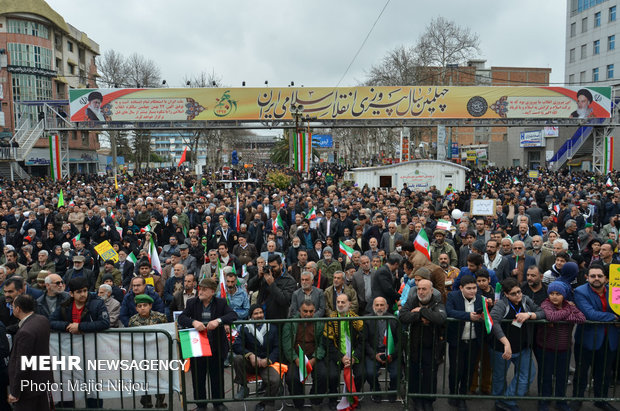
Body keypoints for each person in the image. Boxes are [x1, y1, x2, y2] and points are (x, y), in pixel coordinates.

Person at [178, 278, 237, 411]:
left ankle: (218, 403)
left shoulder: (220, 302)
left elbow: (233, 315)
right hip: (197, 346)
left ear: (212, 291)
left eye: (204, 289)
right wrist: (193, 322)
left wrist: (218, 320)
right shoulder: (192, 302)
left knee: (217, 377)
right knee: (198, 377)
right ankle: (201, 404)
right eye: (200, 288)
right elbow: (182, 317)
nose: (201, 291)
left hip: (215, 345)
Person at [489, 277, 545, 411]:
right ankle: (499, 403)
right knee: (499, 377)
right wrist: (506, 343)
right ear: (506, 294)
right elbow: (494, 322)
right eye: (513, 293)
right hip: (501, 349)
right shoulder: (501, 304)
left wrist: (529, 315)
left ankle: (507, 401)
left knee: (528, 374)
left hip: (522, 347)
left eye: (519, 291)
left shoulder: (525, 299)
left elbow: (542, 312)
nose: (518, 295)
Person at [571, 263, 619, 411]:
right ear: (587, 278)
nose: (596, 279)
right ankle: (577, 399)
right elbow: (590, 314)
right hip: (587, 339)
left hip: (609, 339)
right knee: (581, 372)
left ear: (606, 278)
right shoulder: (580, 291)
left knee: (604, 373)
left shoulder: (614, 291)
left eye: (599, 276)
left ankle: (601, 400)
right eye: (593, 276)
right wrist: (614, 318)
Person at [536, 282, 585, 411]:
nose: (554, 297)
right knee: (545, 376)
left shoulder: (568, 305)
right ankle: (543, 401)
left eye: (558, 294)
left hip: (564, 348)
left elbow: (581, 318)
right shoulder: (546, 304)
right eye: (552, 294)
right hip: (547, 347)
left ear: (564, 295)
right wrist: (568, 312)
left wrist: (564, 313)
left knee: (562, 377)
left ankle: (561, 401)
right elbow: (551, 316)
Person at [399, 279, 447, 411]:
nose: (420, 291)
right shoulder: (411, 300)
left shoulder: (437, 302)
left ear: (431, 291)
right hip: (414, 346)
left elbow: (441, 318)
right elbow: (403, 316)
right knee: (413, 374)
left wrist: (421, 310)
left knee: (430, 375)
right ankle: (416, 400)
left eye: (424, 289)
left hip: (431, 346)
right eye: (419, 288)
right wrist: (421, 316)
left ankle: (428, 401)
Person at [445, 275, 484, 411]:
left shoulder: (480, 299)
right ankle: (453, 394)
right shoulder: (453, 296)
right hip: (457, 340)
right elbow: (449, 311)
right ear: (461, 288)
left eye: (474, 288)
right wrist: (467, 316)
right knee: (456, 370)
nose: (472, 291)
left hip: (474, 340)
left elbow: (485, 314)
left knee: (468, 371)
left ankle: (462, 397)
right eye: (469, 288)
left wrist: (484, 314)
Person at [8, 294, 52, 411]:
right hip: (41, 382)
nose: (12, 308)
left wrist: (15, 392)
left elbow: (22, 366)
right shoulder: (42, 320)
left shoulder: (25, 332)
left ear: (18, 309)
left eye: (13, 305)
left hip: (27, 389)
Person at [232, 305, 281, 411]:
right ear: (251, 316)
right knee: (238, 359)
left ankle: (263, 403)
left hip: (266, 363)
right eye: (256, 313)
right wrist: (250, 355)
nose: (259, 315)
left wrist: (268, 360)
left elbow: (277, 348)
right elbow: (237, 345)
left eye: (260, 312)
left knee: (275, 380)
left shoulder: (272, 327)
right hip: (250, 363)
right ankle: (243, 387)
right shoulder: (245, 328)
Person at [282, 300, 327, 410]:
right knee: (292, 377)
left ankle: (315, 400)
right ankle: (299, 403)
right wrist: (295, 359)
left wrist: (315, 358)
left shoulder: (320, 323)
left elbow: (322, 344)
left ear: (314, 311)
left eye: (311, 311)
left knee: (323, 375)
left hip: (313, 356)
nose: (308, 314)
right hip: (296, 356)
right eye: (305, 311)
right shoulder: (290, 323)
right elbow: (286, 344)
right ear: (299, 311)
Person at [128, 294, 168, 409]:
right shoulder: (133, 320)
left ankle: (160, 401)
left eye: (145, 305)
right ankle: (146, 402)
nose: (142, 308)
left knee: (159, 378)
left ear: (150, 305)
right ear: (136, 308)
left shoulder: (160, 317)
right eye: (139, 306)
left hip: (157, 353)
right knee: (142, 377)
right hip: (140, 354)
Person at [324, 293, 364, 409]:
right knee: (331, 375)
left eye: (343, 302)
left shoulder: (357, 320)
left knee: (362, 373)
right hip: (337, 355)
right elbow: (328, 344)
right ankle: (332, 398)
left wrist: (354, 357)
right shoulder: (331, 320)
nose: (340, 305)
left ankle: (353, 397)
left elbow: (362, 342)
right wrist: (341, 357)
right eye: (338, 302)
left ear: (349, 304)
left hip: (353, 355)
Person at [363, 296, 399, 402]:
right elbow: (364, 342)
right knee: (369, 372)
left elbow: (400, 341)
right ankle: (376, 389)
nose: (379, 307)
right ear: (373, 306)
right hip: (374, 352)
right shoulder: (367, 320)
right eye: (377, 305)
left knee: (396, 374)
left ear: (387, 306)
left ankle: (393, 390)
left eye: (382, 305)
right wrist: (374, 355)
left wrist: (392, 355)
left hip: (391, 352)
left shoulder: (394, 320)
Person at [247, 254, 295, 320]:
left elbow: (284, 300)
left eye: (274, 267)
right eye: (270, 267)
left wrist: (272, 284)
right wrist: (258, 276)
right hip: (261, 317)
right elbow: (250, 287)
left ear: (281, 266)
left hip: (277, 319)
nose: (272, 270)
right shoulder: (266, 275)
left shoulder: (289, 280)